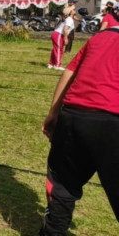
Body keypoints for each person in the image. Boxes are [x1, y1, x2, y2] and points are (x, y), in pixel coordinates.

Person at [38, 12, 119, 235]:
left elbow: (70, 71)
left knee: (62, 186)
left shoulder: (99, 38)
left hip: (74, 116)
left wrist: (54, 112)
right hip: (112, 121)